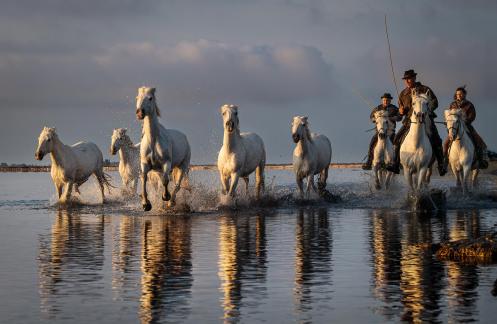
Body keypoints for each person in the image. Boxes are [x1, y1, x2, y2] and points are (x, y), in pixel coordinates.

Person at [386, 69, 447, 176]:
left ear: (414, 78)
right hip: (409, 121)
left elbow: (434, 102)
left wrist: (427, 110)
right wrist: (400, 111)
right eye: (405, 79)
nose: (407, 81)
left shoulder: (425, 89)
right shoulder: (403, 94)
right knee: (397, 139)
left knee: (435, 138)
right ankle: (395, 164)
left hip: (426, 119)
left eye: (409, 79)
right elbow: (401, 111)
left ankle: (441, 165)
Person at [443, 86, 488, 169]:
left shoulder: (469, 105)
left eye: (460, 94)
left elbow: (472, 116)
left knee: (480, 142)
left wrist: (465, 121)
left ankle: (481, 160)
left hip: (467, 126)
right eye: (457, 94)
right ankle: (445, 161)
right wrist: (448, 123)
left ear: (464, 94)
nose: (459, 95)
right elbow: (449, 116)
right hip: (455, 127)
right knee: (445, 143)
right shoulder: (452, 104)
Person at [362, 93, 401, 170]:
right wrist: (375, 119)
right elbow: (371, 117)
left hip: (390, 131)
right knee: (372, 143)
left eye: (387, 100)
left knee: (397, 145)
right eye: (384, 100)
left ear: (390, 100)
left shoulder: (394, 108)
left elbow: (400, 117)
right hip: (380, 132)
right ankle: (369, 162)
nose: (386, 101)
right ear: (382, 100)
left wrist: (393, 118)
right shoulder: (377, 108)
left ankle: (397, 163)